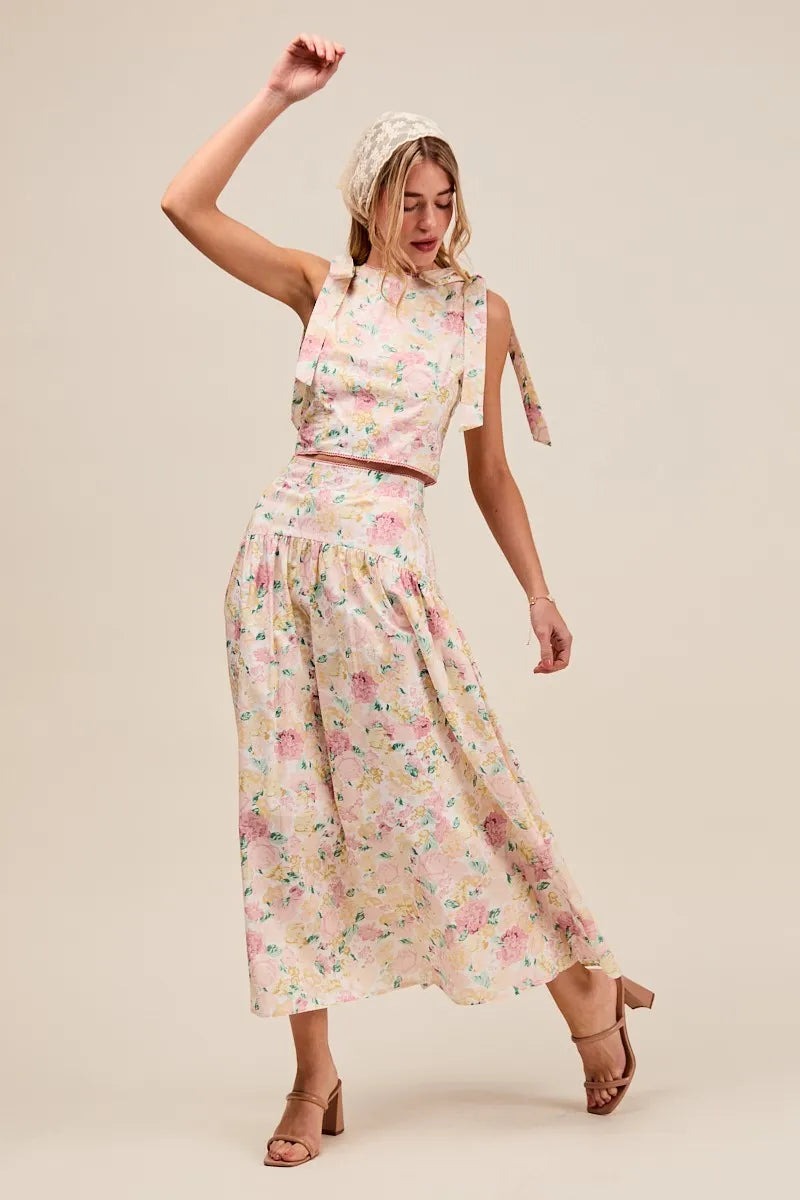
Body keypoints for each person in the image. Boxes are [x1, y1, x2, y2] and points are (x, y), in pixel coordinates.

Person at [161, 31, 655, 1168]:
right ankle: (313, 1074)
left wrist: (537, 591)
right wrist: (275, 95)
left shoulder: (477, 314)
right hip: (277, 570)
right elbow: (184, 204)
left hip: (385, 579)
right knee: (287, 822)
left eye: (442, 200)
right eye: (407, 199)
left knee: (448, 800)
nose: (428, 220)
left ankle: (582, 987)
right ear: (368, 202)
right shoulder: (320, 286)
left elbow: (489, 474)